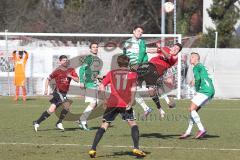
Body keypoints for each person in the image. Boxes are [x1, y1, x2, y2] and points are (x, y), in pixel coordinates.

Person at [88, 55, 146, 158]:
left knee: (104, 125)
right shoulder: (132, 74)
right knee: (133, 124)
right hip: (125, 104)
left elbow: (101, 86)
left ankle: (93, 149)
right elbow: (133, 89)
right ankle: (136, 148)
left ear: (118, 63)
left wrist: (105, 99)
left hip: (112, 103)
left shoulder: (111, 73)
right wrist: (131, 101)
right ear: (128, 63)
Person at [33, 55, 79, 132]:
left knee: (51, 110)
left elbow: (77, 80)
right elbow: (48, 79)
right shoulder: (57, 71)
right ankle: (59, 122)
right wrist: (46, 89)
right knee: (67, 105)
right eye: (63, 60)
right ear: (60, 62)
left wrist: (70, 76)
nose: (65, 61)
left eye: (66, 60)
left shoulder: (71, 70)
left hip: (64, 93)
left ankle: (37, 122)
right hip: (57, 92)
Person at [137, 43, 182, 117]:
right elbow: (155, 50)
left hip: (156, 71)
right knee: (151, 91)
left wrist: (161, 48)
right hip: (148, 67)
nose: (175, 49)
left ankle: (162, 104)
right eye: (175, 47)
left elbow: (167, 56)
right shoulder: (165, 48)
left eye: (177, 49)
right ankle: (160, 109)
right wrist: (145, 50)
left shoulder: (175, 57)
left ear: (178, 52)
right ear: (172, 46)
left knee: (151, 90)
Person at [179, 52, 215, 139]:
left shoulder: (196, 67)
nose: (190, 59)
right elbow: (202, 77)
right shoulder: (201, 66)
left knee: (191, 109)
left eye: (191, 57)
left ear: (196, 58)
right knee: (193, 111)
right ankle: (188, 132)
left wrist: (197, 89)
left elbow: (198, 79)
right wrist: (194, 80)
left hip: (204, 90)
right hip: (210, 91)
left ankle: (201, 129)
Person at [123, 25, 152, 119]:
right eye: (139, 31)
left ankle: (131, 112)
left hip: (136, 68)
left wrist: (138, 66)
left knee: (129, 90)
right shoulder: (127, 42)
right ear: (134, 31)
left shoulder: (141, 42)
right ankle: (145, 108)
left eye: (141, 32)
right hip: (129, 68)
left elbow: (142, 54)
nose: (140, 33)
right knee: (130, 90)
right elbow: (124, 55)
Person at [78, 42, 103, 131]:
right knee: (93, 103)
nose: (95, 48)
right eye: (93, 47)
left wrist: (100, 79)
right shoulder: (89, 58)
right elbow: (81, 69)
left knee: (95, 104)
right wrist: (81, 81)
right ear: (90, 49)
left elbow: (96, 72)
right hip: (89, 83)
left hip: (95, 83)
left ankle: (81, 119)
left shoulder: (98, 59)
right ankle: (83, 121)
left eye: (96, 47)